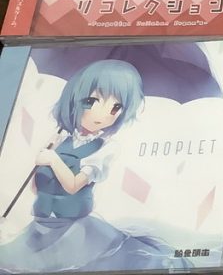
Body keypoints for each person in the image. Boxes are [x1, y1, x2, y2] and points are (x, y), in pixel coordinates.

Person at [0, 60, 186, 273]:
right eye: (92, 101)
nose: (103, 115)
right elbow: (36, 187)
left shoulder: (105, 149)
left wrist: (53, 160)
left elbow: (73, 186)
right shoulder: (59, 140)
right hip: (41, 225)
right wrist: (41, 161)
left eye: (116, 107)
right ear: (74, 100)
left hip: (75, 230)